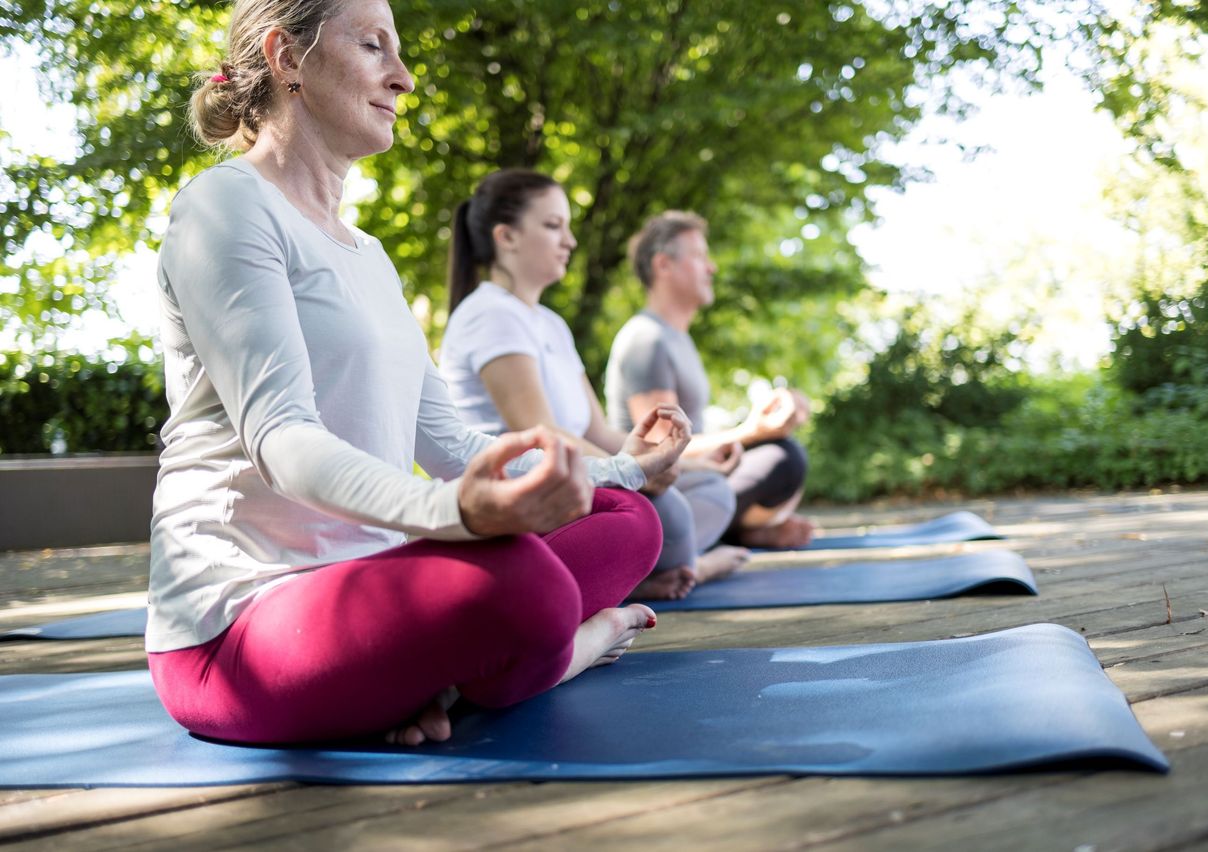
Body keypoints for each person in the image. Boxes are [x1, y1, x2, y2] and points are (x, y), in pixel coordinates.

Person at [146, 0, 691, 748]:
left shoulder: (368, 256)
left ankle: (443, 678)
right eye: (374, 47)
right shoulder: (226, 207)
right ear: (285, 57)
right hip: (236, 629)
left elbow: (449, 442)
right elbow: (282, 438)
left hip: (374, 589)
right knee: (525, 587)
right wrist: (459, 515)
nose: (403, 79)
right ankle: (564, 650)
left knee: (628, 522)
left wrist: (628, 468)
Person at [438, 170, 749, 601]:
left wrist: (681, 462)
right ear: (506, 237)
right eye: (553, 226)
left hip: (579, 485)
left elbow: (598, 433)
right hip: (527, 504)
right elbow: (542, 437)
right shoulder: (490, 315)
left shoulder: (550, 324)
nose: (570, 241)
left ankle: (657, 568)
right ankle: (685, 566)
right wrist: (632, 475)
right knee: (665, 513)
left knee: (711, 489)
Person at [605, 211, 814, 549]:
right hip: (661, 493)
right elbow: (661, 452)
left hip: (694, 477)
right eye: (700, 256)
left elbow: (694, 439)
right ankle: (729, 536)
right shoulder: (646, 339)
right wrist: (751, 431)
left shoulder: (677, 338)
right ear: (663, 265)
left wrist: (769, 422)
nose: (711, 267)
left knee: (784, 452)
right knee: (782, 457)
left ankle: (734, 533)